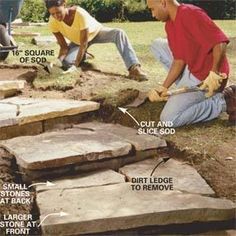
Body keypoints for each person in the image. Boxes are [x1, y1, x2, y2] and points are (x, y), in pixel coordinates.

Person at [147, 0, 236, 126]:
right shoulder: (170, 25)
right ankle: (186, 90)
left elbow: (219, 42)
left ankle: (225, 101)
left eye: (152, 9)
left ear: (163, 2)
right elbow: (179, 61)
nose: (153, 15)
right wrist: (163, 87)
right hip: (192, 68)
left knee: (169, 119)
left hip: (209, 78)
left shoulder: (191, 14)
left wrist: (214, 73)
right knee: (157, 44)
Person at [44, 0, 147, 81]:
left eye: (58, 12)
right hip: (78, 41)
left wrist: (76, 66)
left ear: (64, 4)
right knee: (66, 63)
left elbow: (84, 43)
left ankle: (134, 68)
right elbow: (64, 47)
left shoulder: (79, 13)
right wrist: (59, 60)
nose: (56, 16)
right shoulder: (53, 22)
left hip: (95, 33)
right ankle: (84, 55)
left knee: (119, 33)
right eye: (53, 14)